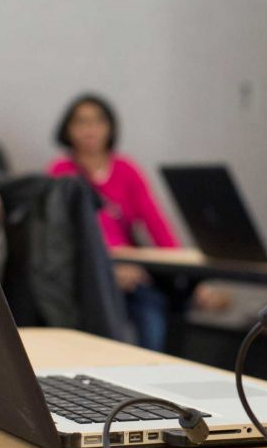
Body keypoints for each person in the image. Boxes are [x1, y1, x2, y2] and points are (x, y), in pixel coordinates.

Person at [48, 93, 180, 351]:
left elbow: (157, 224)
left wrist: (181, 268)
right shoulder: (61, 172)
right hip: (87, 270)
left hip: (133, 271)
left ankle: (152, 372)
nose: (90, 129)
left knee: (151, 304)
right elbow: (63, 235)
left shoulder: (126, 170)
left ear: (110, 127)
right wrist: (108, 269)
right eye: (81, 122)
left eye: (98, 121)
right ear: (68, 129)